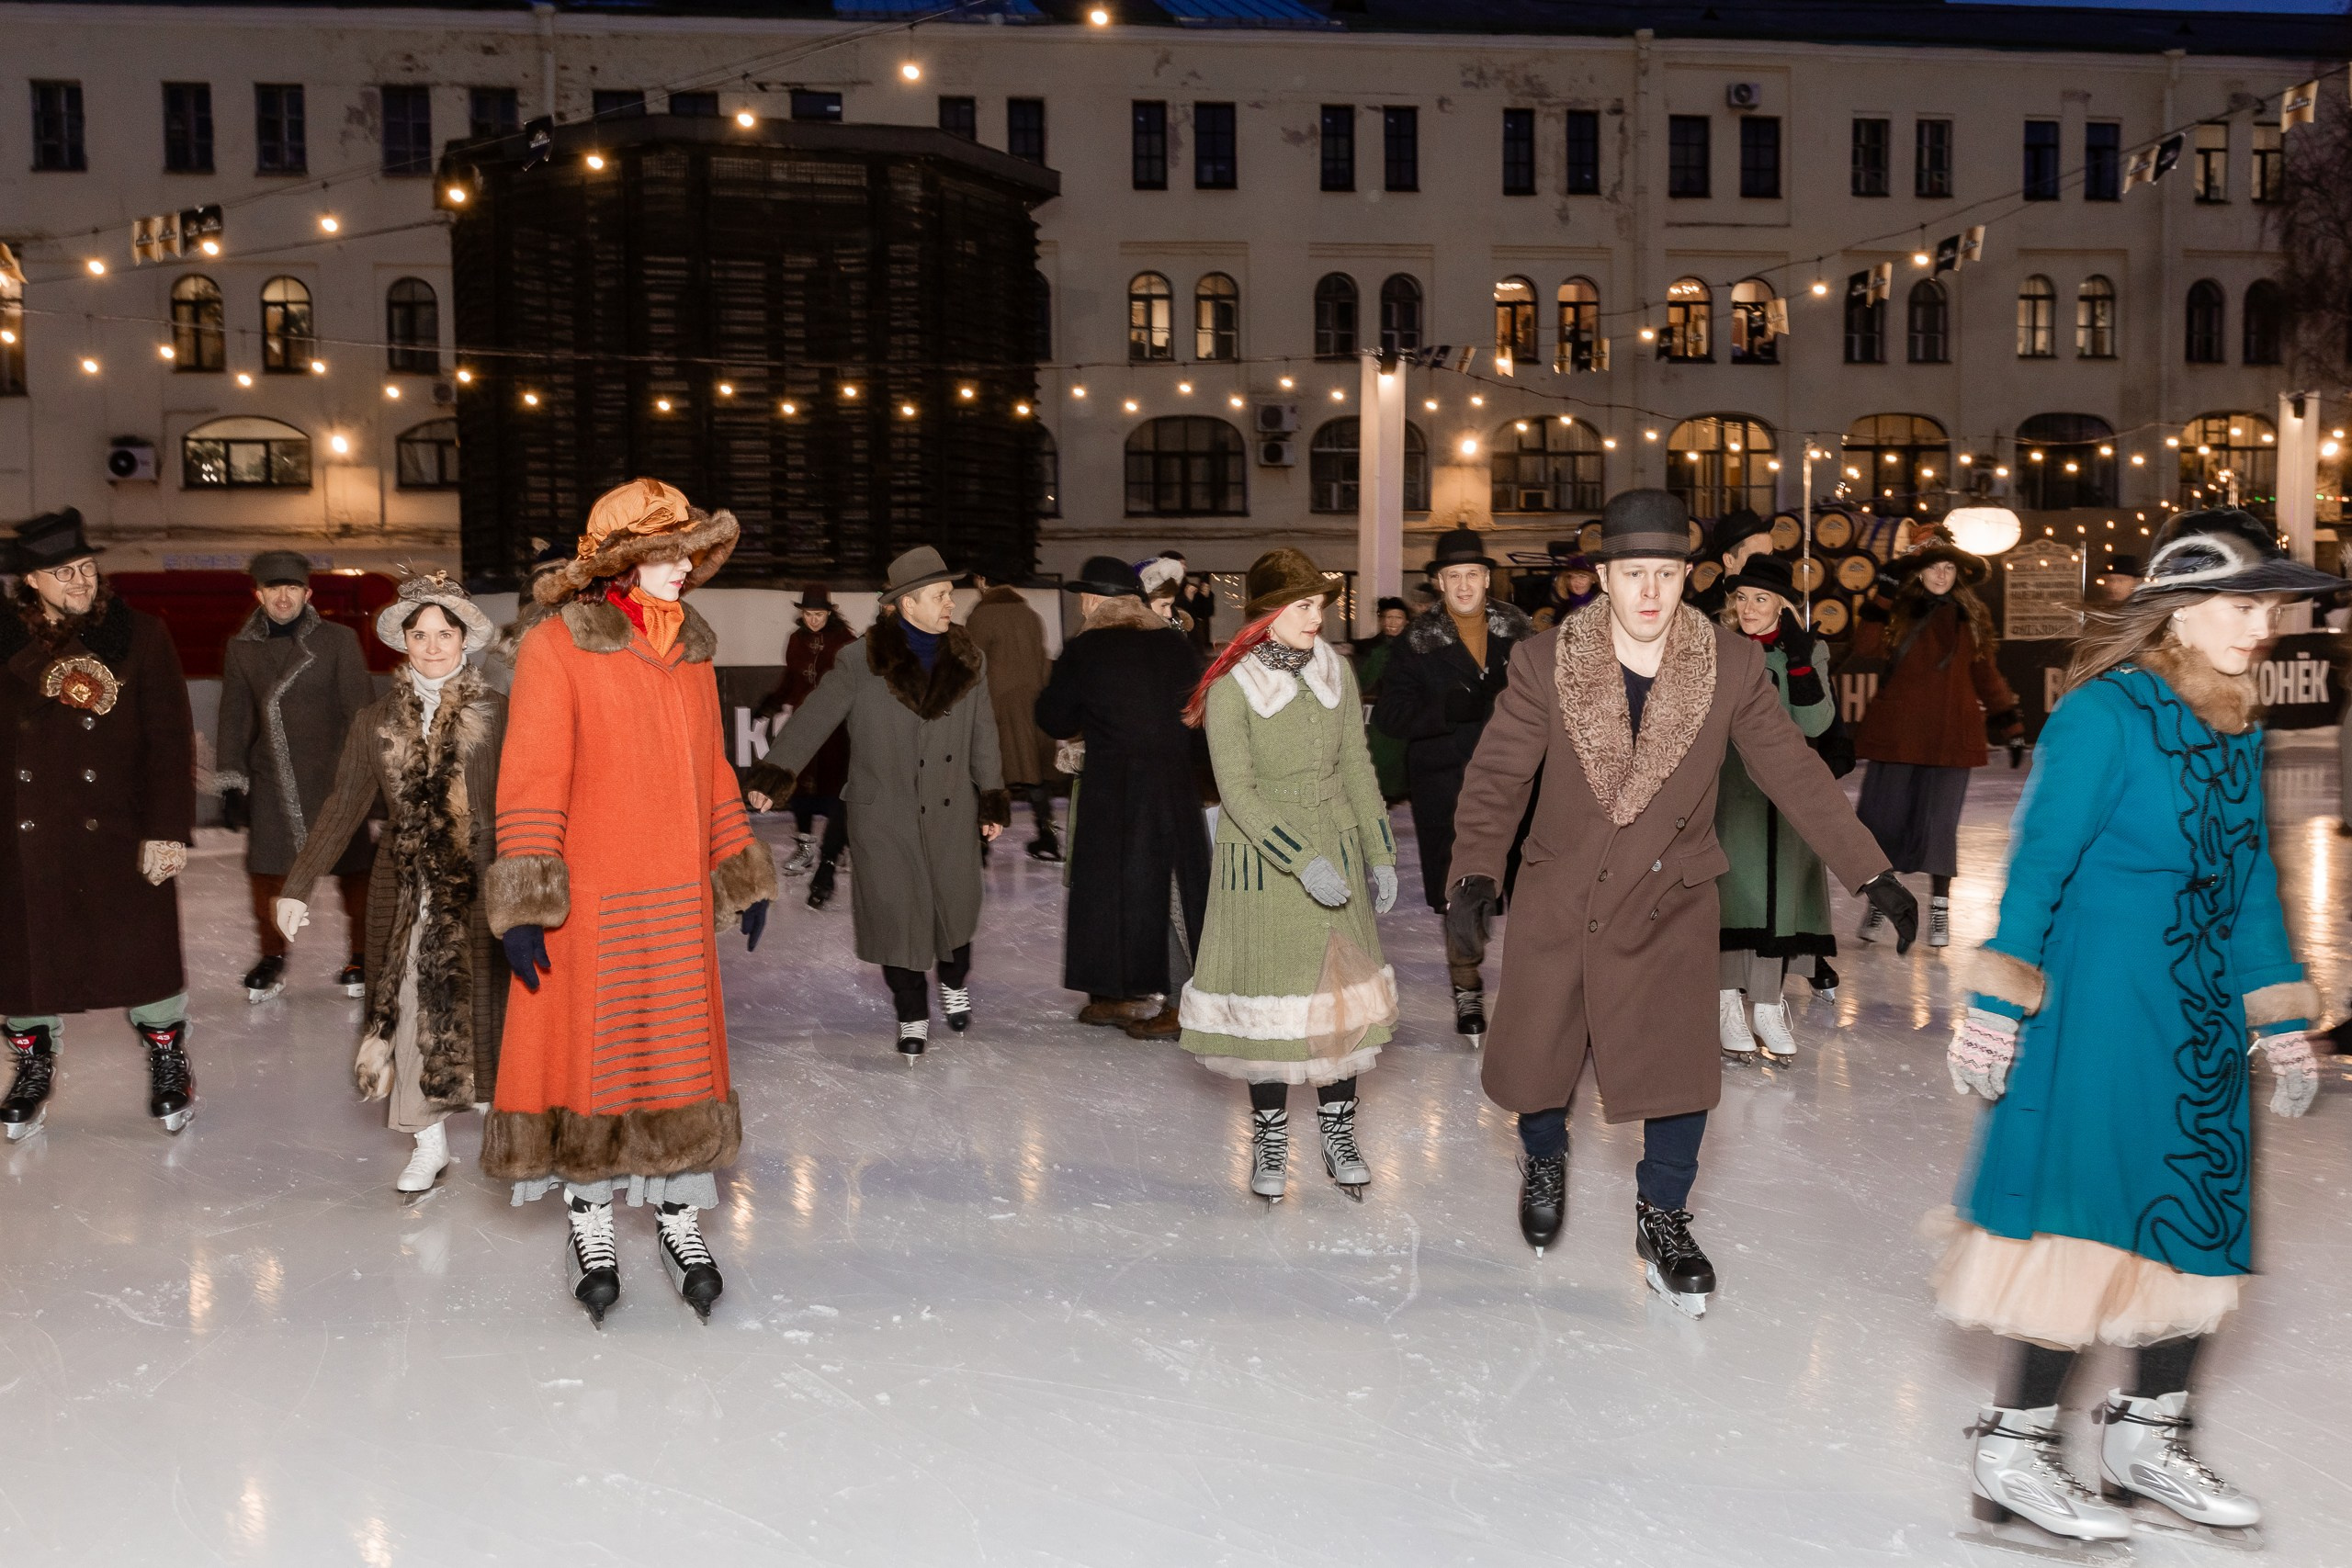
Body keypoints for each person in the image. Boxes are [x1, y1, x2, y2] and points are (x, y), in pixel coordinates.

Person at [1935, 508, 2335, 1545]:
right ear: (2182, 608)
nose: (2264, 626)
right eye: (2246, 605)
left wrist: (2279, 1010)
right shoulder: (2104, 715)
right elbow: (2039, 867)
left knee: (2197, 1214)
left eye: (2268, 607)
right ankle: (2012, 1447)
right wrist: (1993, 1000)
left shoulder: (2231, 720)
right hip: (2102, 1005)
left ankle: (2141, 1436)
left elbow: (2248, 881)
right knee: (2084, 1213)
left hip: (2196, 1015)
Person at [1445, 490, 1915, 1314]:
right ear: (1605, 577)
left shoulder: (1728, 665)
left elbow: (1794, 771)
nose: (1652, 593)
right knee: (1541, 1052)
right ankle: (1544, 1151)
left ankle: (1662, 1215)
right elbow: (1496, 777)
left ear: (1687, 575)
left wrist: (1869, 871)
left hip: (1672, 894)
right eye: (1634, 574)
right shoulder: (1543, 661)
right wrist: (1476, 871)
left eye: (1666, 573)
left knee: (1678, 1069)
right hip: (1563, 886)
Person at [484, 479, 776, 1325]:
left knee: (681, 1062)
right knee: (597, 1065)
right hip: (595, 905)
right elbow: (532, 777)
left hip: (677, 905)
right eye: (666, 552)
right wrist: (530, 897)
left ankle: (681, 1217)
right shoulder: (557, 647)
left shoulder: (692, 651)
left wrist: (737, 865)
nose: (684, 567)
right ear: (621, 562)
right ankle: (592, 1220)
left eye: (690, 551)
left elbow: (713, 771)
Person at [273, 573, 506, 1195]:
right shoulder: (375, 719)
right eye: (419, 634)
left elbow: (532, 801)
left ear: (464, 639)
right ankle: (427, 1143)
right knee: (404, 1008)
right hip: (405, 890)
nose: (432, 647)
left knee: (487, 1006)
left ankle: (504, 1128)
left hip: (483, 885)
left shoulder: (499, 711)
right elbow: (343, 804)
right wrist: (299, 882)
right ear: (403, 641)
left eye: (444, 633)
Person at [1177, 549, 1397, 1204]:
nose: (1317, 616)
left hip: (1337, 848)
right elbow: (1238, 793)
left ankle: (1339, 1131)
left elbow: (1358, 768)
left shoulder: (1337, 671)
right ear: (1267, 614)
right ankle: (1270, 1134)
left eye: (1320, 604)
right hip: (1265, 864)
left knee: (1339, 1001)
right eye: (1303, 605)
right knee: (1270, 1004)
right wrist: (1304, 860)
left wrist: (1380, 853)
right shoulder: (1232, 686)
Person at [746, 547, 1010, 1056]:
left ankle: (954, 982)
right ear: (908, 604)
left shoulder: (967, 659)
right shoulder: (860, 660)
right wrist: (776, 773)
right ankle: (910, 1013)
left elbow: (983, 733)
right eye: (940, 595)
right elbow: (814, 717)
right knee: (897, 915)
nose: (950, 603)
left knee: (952, 907)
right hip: (883, 812)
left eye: (949, 594)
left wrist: (992, 796)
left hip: (951, 808)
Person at [0, 509, 198, 1140]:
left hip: (120, 827)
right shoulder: (3, 641)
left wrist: (167, 828)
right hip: (25, 832)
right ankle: (33, 1062)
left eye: (87, 566)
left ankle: (168, 1057)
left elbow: (169, 741)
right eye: (64, 571)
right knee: (23, 960)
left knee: (144, 954)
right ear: (31, 579)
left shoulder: (139, 635)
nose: (82, 580)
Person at [1035, 556, 1210, 1039]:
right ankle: (1123, 997)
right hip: (1173, 787)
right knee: (1170, 887)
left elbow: (1055, 718)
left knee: (1116, 894)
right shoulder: (1174, 644)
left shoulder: (1086, 648)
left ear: (1092, 600)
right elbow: (1198, 716)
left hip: (1114, 794)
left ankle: (1168, 1002)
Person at [1371, 527, 1534, 1042]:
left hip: (1516, 777)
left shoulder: (1521, 634)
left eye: (1473, 575)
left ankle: (1534, 995)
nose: (1464, 585)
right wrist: (1443, 711)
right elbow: (1391, 715)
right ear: (1439, 583)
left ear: (1487, 579)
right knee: (1461, 887)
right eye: (1453, 576)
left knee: (1526, 886)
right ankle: (1466, 987)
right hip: (1448, 782)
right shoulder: (1417, 643)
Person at [214, 549, 376, 1003]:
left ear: (308, 593)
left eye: (291, 588)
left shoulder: (338, 641)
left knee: (355, 872)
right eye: (272, 588)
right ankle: (272, 955)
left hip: (334, 779)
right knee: (267, 873)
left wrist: (368, 779)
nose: (282, 597)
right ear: (258, 593)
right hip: (273, 780)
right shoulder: (242, 648)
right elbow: (234, 716)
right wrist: (231, 780)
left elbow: (361, 713)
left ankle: (362, 955)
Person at [1851, 527, 2025, 950]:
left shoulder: (1972, 615)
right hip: (1899, 734)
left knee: (1939, 826)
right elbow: (1864, 647)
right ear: (1919, 572)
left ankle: (1939, 909)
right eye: (1934, 567)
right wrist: (1885, 593)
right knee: (1883, 823)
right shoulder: (1897, 611)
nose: (1942, 575)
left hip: (1951, 735)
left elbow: (1985, 672)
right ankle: (1881, 901)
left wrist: (2010, 721)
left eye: (1949, 568)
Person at [1711, 556, 1838, 1062]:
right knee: (1731, 898)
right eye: (1741, 597)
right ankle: (1723, 1003)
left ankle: (1766, 1005)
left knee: (1776, 905)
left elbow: (1816, 724)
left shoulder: (1808, 651)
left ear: (1783, 604)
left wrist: (1803, 664)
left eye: (1760, 598)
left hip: (1783, 798)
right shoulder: (1716, 648)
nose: (1747, 608)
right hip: (1727, 792)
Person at [752, 584, 857, 906]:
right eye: (809, 614)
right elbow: (791, 681)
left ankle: (840, 847)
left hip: (837, 726)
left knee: (837, 786)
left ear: (830, 613)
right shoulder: (796, 641)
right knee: (800, 786)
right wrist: (772, 703)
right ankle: (805, 845)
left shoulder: (846, 643)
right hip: (803, 724)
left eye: (820, 614)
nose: (813, 620)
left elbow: (855, 685)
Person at [965, 569, 1060, 863]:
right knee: (1033, 775)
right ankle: (1048, 836)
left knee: (986, 774)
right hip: (1032, 708)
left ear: (982, 580)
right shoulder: (1031, 615)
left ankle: (980, 843)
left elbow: (972, 666)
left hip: (995, 710)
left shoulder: (980, 616)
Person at [1351, 596, 1411, 803]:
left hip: (1410, 712)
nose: (1392, 622)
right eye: (1388, 617)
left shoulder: (1416, 649)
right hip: (1382, 713)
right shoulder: (1375, 650)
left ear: (1407, 621)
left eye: (1398, 618)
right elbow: (1364, 680)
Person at [1690, 509, 1774, 618]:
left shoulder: (1780, 605)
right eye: (1757, 557)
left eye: (1770, 556)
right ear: (1729, 560)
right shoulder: (1700, 614)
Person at [1168, 552, 1216, 654]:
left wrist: (1206, 597)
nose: (1184, 567)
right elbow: (1170, 614)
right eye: (1180, 563)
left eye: (1185, 564)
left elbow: (1205, 613)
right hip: (1172, 642)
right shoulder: (1161, 588)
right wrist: (1186, 599)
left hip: (1194, 643)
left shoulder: (1189, 587)